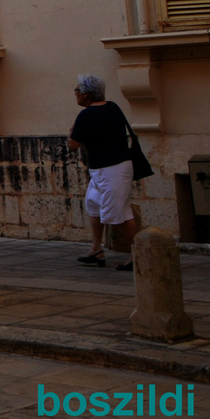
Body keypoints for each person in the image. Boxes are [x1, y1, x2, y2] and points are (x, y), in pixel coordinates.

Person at [66, 74, 138, 271]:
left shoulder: (86, 115)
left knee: (120, 212)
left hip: (111, 169)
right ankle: (96, 249)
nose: (76, 94)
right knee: (94, 204)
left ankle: (138, 255)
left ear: (87, 95)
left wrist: (72, 131)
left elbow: (72, 144)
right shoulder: (112, 107)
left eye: (78, 90)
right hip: (107, 168)